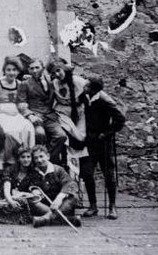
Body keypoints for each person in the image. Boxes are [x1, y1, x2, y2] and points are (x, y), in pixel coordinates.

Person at [79, 77, 126, 220]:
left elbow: (120, 119)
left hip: (103, 142)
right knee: (87, 173)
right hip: (89, 142)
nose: (84, 86)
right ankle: (93, 206)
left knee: (108, 174)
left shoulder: (105, 101)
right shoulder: (85, 97)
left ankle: (112, 206)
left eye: (87, 85)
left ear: (94, 88)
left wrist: (107, 133)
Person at [20, 58, 68, 166]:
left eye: (37, 67)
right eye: (32, 68)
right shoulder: (25, 84)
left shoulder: (51, 80)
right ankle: (38, 162)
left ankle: (48, 160)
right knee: (39, 134)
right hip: (36, 116)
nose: (35, 70)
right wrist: (30, 115)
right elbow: (21, 103)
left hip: (50, 116)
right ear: (28, 70)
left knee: (61, 136)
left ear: (43, 68)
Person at [0, 57, 36, 163]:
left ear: (18, 71)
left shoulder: (20, 84)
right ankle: (9, 160)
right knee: (10, 133)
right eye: (8, 70)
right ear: (4, 70)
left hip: (16, 114)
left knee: (28, 128)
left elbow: (22, 101)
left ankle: (26, 157)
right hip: (1, 114)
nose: (11, 72)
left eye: (14, 70)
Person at [47, 59, 88, 171]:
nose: (57, 74)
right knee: (64, 132)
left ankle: (80, 168)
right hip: (63, 112)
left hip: (79, 112)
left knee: (81, 137)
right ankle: (64, 162)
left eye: (58, 70)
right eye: (53, 73)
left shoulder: (79, 81)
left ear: (64, 68)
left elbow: (95, 95)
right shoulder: (54, 84)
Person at [26, 145, 82, 228]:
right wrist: (34, 191)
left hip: (61, 205)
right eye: (36, 158)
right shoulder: (33, 172)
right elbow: (30, 186)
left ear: (48, 156)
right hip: (45, 206)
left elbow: (70, 184)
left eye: (41, 156)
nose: (39, 160)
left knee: (73, 197)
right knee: (31, 200)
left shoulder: (58, 170)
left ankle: (44, 219)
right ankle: (71, 220)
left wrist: (60, 197)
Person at [0, 147, 36, 225]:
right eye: (23, 157)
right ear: (18, 159)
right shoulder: (10, 170)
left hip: (23, 199)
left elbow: (34, 191)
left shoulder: (33, 172)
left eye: (28, 157)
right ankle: (11, 217)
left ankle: (14, 218)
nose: (26, 160)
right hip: (7, 198)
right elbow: (6, 188)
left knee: (23, 203)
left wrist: (22, 194)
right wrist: (10, 200)